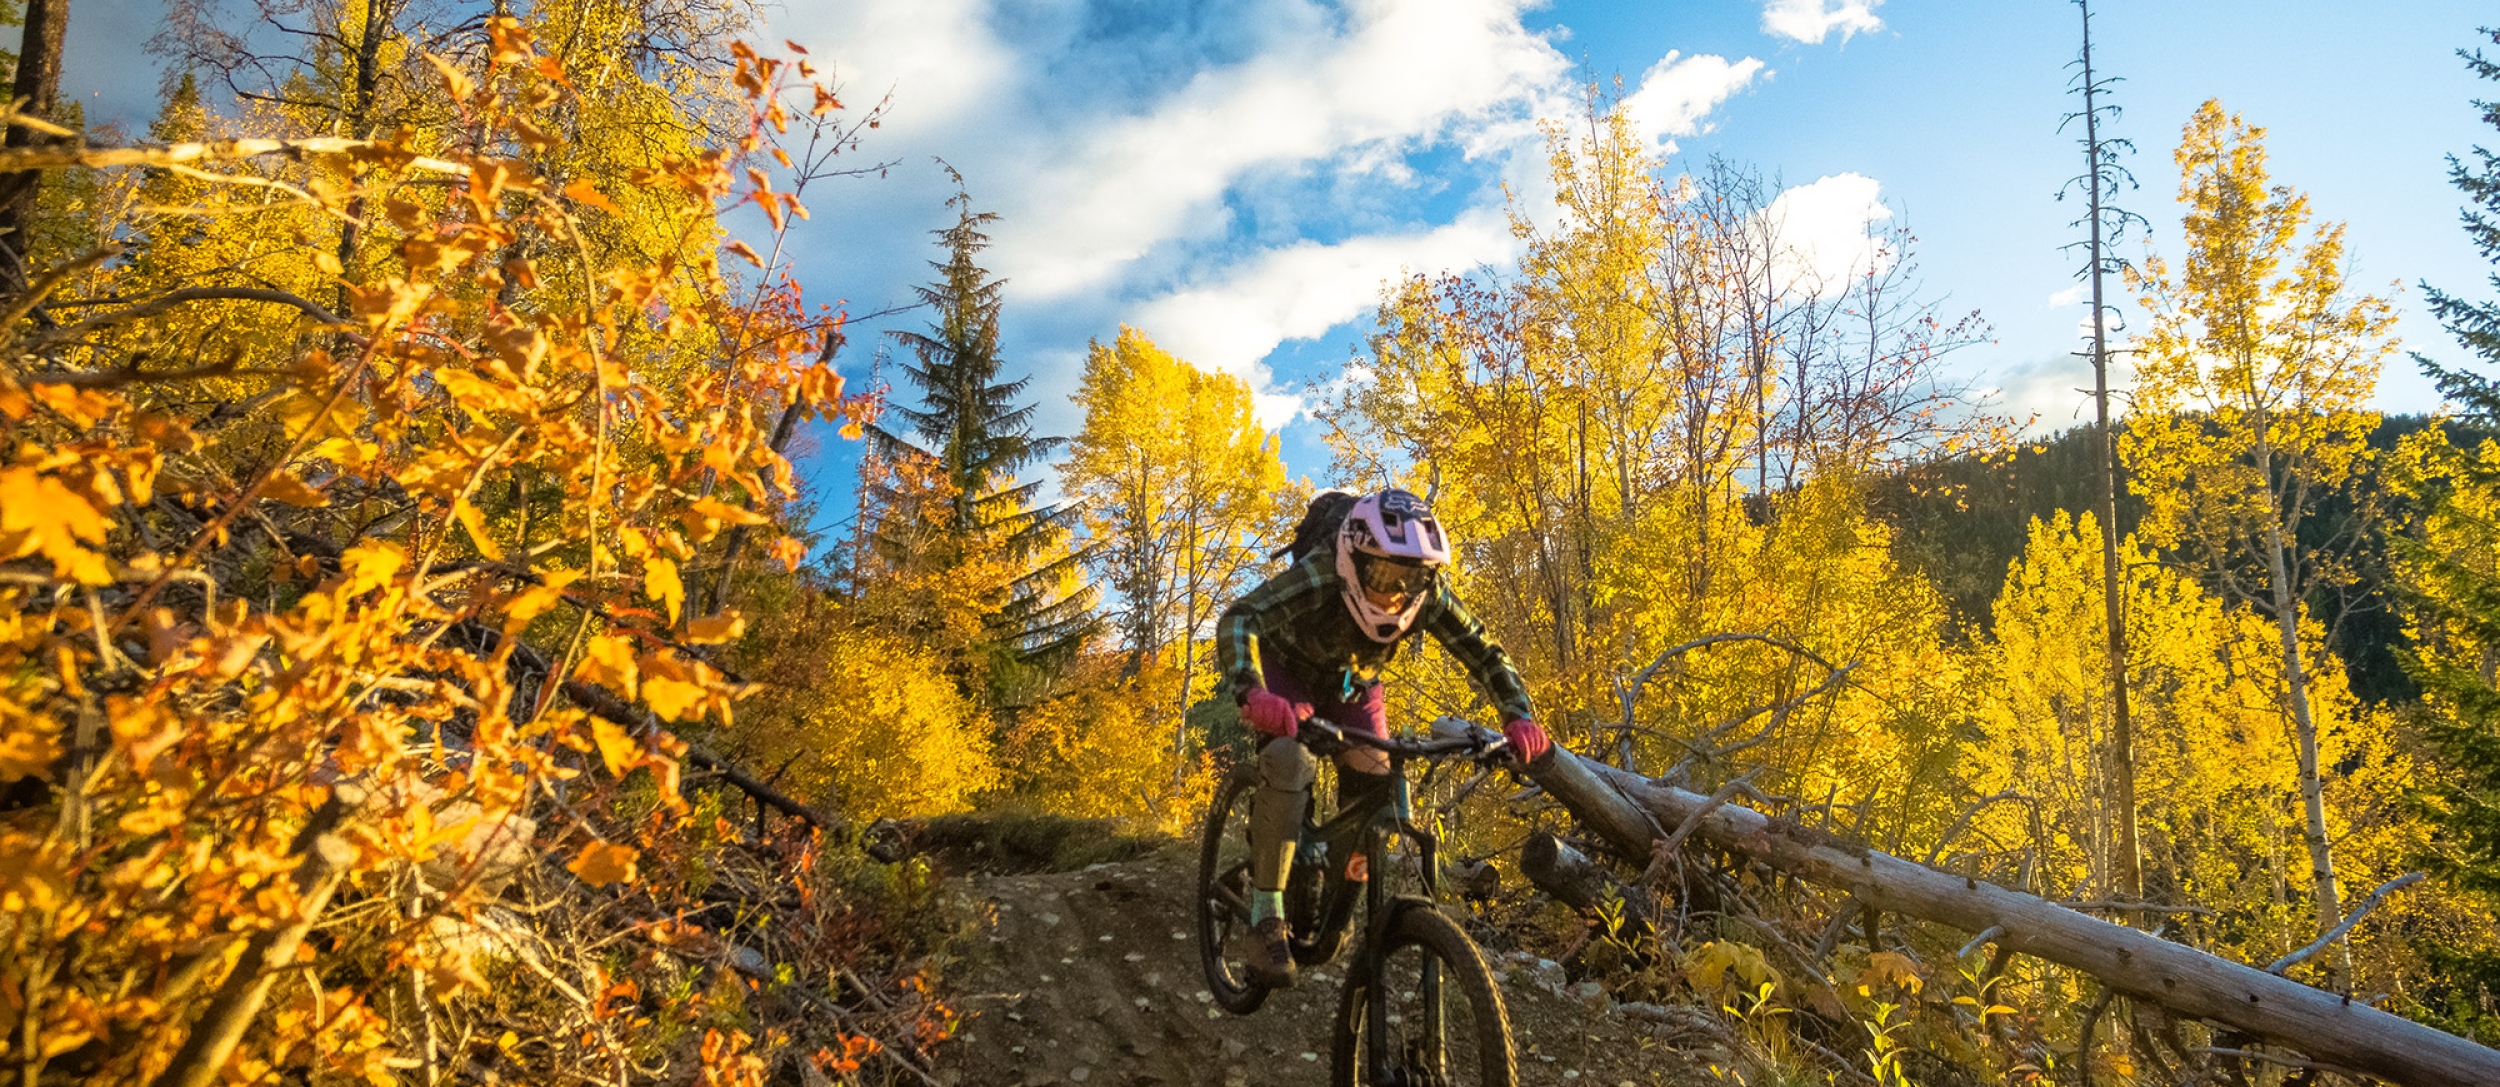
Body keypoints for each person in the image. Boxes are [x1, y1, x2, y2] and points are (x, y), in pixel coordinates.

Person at [1214, 487, 1550, 988]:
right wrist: (1251, 692)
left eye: (1411, 578)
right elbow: (1241, 618)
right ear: (1353, 557)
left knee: (1379, 790)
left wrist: (1518, 715)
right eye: (1383, 574)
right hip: (1287, 676)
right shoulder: (1324, 574)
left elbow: (1485, 652)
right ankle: (1266, 918)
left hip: (1353, 687)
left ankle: (1335, 899)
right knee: (1288, 762)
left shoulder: (1426, 597)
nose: (1396, 591)